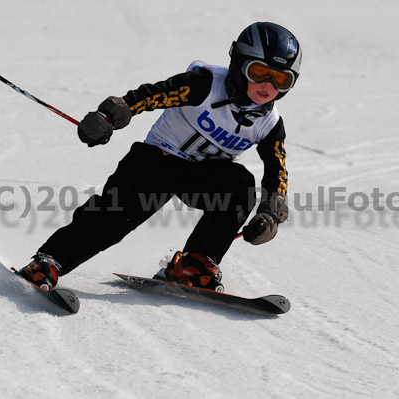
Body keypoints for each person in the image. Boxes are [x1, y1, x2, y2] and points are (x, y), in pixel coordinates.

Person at [17, 22, 301, 293]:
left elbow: (277, 170)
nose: (268, 85)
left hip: (203, 176)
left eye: (281, 79)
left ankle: (195, 264)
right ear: (239, 65)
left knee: (240, 183)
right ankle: (48, 262)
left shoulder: (270, 124)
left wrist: (271, 214)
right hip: (156, 163)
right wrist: (109, 116)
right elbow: (153, 94)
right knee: (113, 220)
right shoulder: (205, 84)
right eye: (259, 72)